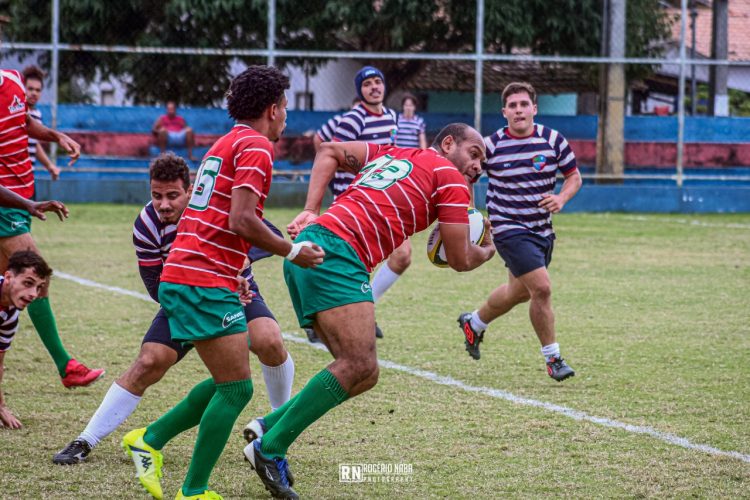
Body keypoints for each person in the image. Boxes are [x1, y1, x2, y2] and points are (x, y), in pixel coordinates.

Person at [243, 123, 495, 499]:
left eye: (482, 162)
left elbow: (328, 150)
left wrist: (311, 210)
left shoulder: (394, 153)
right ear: (448, 143)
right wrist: (488, 249)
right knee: (358, 365)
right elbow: (459, 258)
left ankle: (268, 428)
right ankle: (270, 448)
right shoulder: (451, 180)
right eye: (474, 154)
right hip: (338, 256)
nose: (477, 166)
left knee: (363, 373)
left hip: (310, 248)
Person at [121, 66, 323, 500]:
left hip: (201, 274)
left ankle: (150, 440)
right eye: (285, 106)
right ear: (273, 108)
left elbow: (209, 221)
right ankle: (193, 490)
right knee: (236, 389)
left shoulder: (225, 142)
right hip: (200, 280)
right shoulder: (255, 146)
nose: (286, 115)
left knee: (226, 381)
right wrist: (292, 251)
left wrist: (234, 270)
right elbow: (242, 219)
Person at [52, 153, 296, 467]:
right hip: (183, 300)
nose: (164, 204)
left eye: (172, 196)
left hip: (232, 294)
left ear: (190, 190)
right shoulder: (147, 225)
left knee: (269, 340)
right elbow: (155, 285)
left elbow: (272, 236)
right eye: (156, 196)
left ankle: (277, 428)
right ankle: (85, 439)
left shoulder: (218, 208)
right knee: (149, 361)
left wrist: (241, 261)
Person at [457, 82, 582, 382]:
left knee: (519, 293)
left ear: (534, 109)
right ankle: (553, 359)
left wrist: (561, 198)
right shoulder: (492, 145)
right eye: (512, 106)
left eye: (524, 104)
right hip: (508, 230)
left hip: (542, 230)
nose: (519, 110)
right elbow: (467, 174)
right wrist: (472, 213)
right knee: (542, 288)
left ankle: (473, 323)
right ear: (504, 112)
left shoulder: (553, 140)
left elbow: (574, 177)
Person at [0, 67, 104, 388]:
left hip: (20, 198)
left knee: (6, 294)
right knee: (35, 276)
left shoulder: (13, 78)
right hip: (6, 202)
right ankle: (66, 365)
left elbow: (23, 122)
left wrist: (55, 135)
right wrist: (27, 205)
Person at [0, 250, 54, 429]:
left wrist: (1, 407)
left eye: (38, 287)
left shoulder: (9, 316)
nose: (33, 294)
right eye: (28, 283)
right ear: (8, 277)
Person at [23, 65, 61, 181]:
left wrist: (49, 166)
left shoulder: (37, 114)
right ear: (22, 88)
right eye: (30, 89)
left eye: (38, 90)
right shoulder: (15, 111)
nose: (34, 93)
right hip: (13, 176)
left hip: (29, 175)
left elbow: (34, 144)